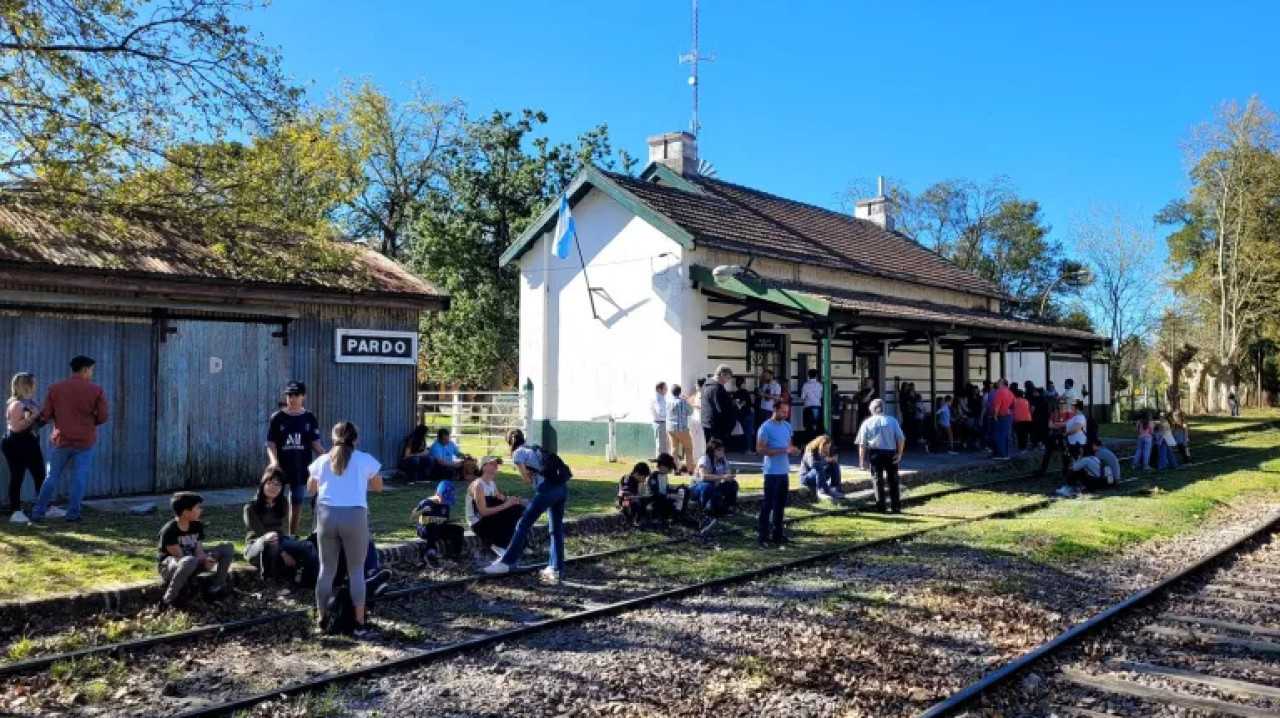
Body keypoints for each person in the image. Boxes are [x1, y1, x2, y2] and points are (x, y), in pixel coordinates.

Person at [308, 421, 383, 637]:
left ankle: (321, 620)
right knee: (356, 570)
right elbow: (378, 487)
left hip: (326, 516)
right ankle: (359, 623)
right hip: (354, 515)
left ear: (333, 438)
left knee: (326, 570)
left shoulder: (322, 460)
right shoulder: (364, 459)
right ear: (355, 439)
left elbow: (311, 487)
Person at [483, 429, 571, 583]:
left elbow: (526, 480)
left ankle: (507, 562)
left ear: (510, 443)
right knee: (556, 529)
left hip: (547, 490)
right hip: (562, 488)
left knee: (523, 523)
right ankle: (556, 567)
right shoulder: (534, 448)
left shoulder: (518, 453)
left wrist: (527, 476)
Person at [31, 356, 109, 523]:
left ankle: (38, 512)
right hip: (85, 440)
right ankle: (73, 513)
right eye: (91, 370)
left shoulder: (55, 389)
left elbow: (46, 414)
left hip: (62, 440)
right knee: (79, 477)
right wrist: (89, 422)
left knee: (51, 476)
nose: (91, 373)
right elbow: (103, 417)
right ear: (86, 369)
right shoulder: (96, 390)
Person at [266, 381, 325, 536]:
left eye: (295, 395)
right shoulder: (277, 417)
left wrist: (329, 458)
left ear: (303, 397)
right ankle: (273, 534)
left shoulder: (309, 417)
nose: (291, 399)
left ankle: (293, 534)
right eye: (289, 395)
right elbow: (271, 443)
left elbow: (315, 443)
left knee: (297, 500)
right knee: (274, 501)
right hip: (280, 468)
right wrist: (274, 462)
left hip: (300, 467)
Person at [243, 466, 319, 587]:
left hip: (279, 541)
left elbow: (281, 535)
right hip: (256, 546)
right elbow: (262, 534)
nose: (274, 487)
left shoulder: (282, 503)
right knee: (271, 537)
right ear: (263, 484)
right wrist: (283, 553)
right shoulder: (250, 507)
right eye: (270, 483)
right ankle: (268, 579)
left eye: (278, 485)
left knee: (309, 544)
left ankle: (314, 582)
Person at [158, 491, 234, 608]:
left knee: (227, 547)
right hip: (172, 567)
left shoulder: (197, 526)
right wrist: (201, 562)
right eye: (198, 507)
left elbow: (198, 551)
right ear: (186, 512)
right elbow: (180, 558)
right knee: (189, 560)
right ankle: (169, 598)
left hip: (192, 561)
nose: (201, 510)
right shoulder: (169, 530)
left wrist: (207, 561)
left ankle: (216, 586)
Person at [756, 400, 799, 548]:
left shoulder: (787, 426)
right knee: (768, 504)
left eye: (787, 412)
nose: (785, 414)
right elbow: (760, 450)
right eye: (783, 411)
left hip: (784, 470)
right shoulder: (765, 427)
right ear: (775, 409)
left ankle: (778, 533)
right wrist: (782, 450)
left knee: (780, 505)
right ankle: (763, 535)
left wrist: (793, 450)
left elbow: (788, 445)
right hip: (772, 471)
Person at [4, 372, 45, 524]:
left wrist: (46, 417)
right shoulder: (17, 404)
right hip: (16, 443)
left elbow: (37, 422)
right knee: (17, 475)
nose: (35, 385)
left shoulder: (31, 402)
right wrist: (34, 417)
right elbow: (17, 427)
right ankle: (15, 511)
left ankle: (43, 507)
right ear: (25, 385)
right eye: (33, 383)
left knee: (40, 474)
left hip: (30, 442)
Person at [466, 455, 523, 557]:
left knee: (518, 509)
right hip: (479, 523)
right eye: (492, 463)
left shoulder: (492, 483)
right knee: (507, 512)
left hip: (489, 519)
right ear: (483, 467)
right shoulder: (478, 485)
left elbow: (499, 499)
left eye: (497, 464)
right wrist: (506, 504)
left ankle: (516, 543)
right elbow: (483, 511)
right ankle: (499, 544)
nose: (496, 465)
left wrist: (512, 500)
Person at [856, 399, 906, 513]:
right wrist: (899, 454)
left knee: (877, 480)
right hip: (891, 452)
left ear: (871, 409)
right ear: (884, 408)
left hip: (875, 453)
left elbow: (862, 444)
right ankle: (896, 506)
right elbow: (901, 439)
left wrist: (861, 461)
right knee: (893, 480)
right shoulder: (892, 421)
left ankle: (881, 506)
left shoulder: (867, 422)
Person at [410, 478, 464, 564]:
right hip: (426, 529)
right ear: (438, 494)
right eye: (445, 499)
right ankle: (430, 552)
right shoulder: (426, 503)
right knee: (432, 526)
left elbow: (443, 521)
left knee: (458, 529)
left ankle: (455, 554)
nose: (445, 502)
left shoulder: (446, 505)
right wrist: (422, 511)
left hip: (439, 528)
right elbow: (413, 517)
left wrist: (452, 520)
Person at [692, 439, 738, 532]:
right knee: (708, 486)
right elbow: (703, 476)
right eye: (719, 450)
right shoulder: (705, 459)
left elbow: (726, 473)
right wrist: (722, 476)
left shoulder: (723, 460)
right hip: (699, 487)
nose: (722, 452)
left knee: (732, 484)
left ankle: (728, 507)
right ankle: (706, 511)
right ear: (712, 450)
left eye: (722, 449)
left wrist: (729, 477)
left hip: (715, 485)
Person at [646, 453, 688, 529]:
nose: (670, 471)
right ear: (662, 466)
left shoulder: (664, 476)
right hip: (656, 501)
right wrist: (670, 496)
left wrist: (676, 489)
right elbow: (655, 494)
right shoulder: (653, 477)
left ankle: (679, 516)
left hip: (665, 498)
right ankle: (657, 520)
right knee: (659, 502)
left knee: (684, 490)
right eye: (669, 468)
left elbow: (666, 489)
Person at [1036, 398, 1074, 477]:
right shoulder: (1054, 414)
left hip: (1064, 436)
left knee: (1065, 454)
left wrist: (1056, 424)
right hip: (1054, 436)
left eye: (1063, 403)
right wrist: (1061, 425)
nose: (1061, 405)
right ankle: (1043, 469)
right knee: (1048, 453)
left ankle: (1065, 470)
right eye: (1060, 403)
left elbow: (1067, 424)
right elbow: (1050, 425)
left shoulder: (1069, 414)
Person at [799, 435, 844, 501]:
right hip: (806, 478)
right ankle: (821, 491)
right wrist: (826, 460)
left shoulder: (826, 452)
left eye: (828, 447)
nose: (827, 449)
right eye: (825, 447)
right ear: (819, 445)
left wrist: (832, 460)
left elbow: (829, 463)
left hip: (820, 476)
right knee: (818, 466)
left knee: (835, 464)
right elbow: (813, 464)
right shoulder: (810, 451)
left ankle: (834, 489)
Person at [702, 364, 737, 444]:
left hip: (706, 423)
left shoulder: (705, 386)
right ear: (722, 375)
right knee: (716, 452)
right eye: (727, 378)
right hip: (717, 427)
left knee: (709, 451)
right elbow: (722, 409)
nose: (727, 381)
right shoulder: (717, 389)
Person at [666, 385, 695, 474]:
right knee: (688, 449)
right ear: (680, 392)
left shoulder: (668, 401)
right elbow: (690, 411)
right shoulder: (682, 402)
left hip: (670, 428)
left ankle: (675, 469)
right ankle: (690, 469)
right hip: (681, 428)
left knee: (674, 449)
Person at [617, 461, 654, 528]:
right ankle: (633, 522)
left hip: (632, 501)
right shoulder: (627, 479)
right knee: (638, 503)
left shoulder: (635, 481)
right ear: (637, 473)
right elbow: (624, 495)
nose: (644, 480)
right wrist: (638, 496)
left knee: (646, 501)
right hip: (625, 502)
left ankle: (641, 522)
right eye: (643, 478)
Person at [990, 379, 1015, 460]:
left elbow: (997, 404)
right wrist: (1009, 411)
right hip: (1008, 416)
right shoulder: (1010, 393)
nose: (997, 383)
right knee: (1006, 436)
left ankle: (999, 454)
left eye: (999, 382)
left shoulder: (999, 392)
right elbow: (1014, 405)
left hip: (1000, 416)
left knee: (998, 435)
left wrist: (995, 415)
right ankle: (1005, 454)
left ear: (1002, 383)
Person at [731, 377, 756, 455]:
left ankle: (744, 448)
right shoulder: (745, 392)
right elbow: (749, 403)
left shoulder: (735, 394)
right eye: (744, 382)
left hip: (740, 415)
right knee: (749, 432)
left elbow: (735, 404)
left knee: (745, 432)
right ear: (742, 383)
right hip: (747, 414)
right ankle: (748, 449)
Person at [757, 371, 782, 437]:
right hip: (763, 407)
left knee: (770, 426)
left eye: (766, 375)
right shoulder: (765, 385)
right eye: (764, 375)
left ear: (771, 376)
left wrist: (765, 395)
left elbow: (777, 397)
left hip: (770, 409)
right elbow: (762, 395)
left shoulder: (776, 385)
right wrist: (760, 394)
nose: (765, 377)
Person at [690, 378, 707, 468]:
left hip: (700, 419)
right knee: (696, 439)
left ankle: (700, 457)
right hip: (695, 419)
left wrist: (692, 404)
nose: (695, 386)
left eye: (696, 384)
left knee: (700, 439)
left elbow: (701, 406)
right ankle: (696, 457)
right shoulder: (697, 394)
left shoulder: (702, 395)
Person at [800, 369, 823, 435]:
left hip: (808, 407)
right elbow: (821, 396)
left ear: (808, 375)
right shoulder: (819, 385)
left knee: (808, 426)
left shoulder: (805, 385)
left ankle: (809, 442)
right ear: (816, 376)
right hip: (817, 406)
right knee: (818, 425)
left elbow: (802, 397)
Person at [651, 382, 670, 457]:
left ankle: (662, 462)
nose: (666, 390)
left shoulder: (662, 398)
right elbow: (661, 412)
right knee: (661, 446)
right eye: (665, 388)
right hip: (660, 423)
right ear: (659, 389)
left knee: (664, 445)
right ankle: (661, 464)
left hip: (663, 423)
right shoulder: (657, 399)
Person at [1013, 387, 1033, 453]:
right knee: (1025, 434)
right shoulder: (1026, 401)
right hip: (1027, 419)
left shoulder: (1014, 401)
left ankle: (1020, 446)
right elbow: (1029, 409)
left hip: (1017, 419)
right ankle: (1024, 446)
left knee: (1020, 434)